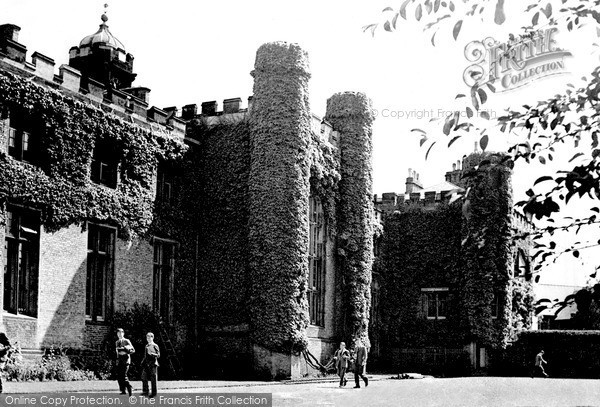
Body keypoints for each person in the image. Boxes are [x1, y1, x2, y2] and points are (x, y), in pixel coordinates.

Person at [115, 328, 134, 396]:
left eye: (120, 333)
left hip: (125, 360)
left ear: (123, 333)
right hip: (119, 360)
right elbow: (117, 352)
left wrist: (125, 350)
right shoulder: (117, 342)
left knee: (124, 375)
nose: (119, 335)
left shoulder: (126, 341)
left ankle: (129, 388)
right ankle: (123, 390)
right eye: (118, 333)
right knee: (119, 376)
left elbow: (132, 350)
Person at [141, 332, 160, 397]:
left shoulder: (155, 345)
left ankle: (154, 393)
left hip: (153, 364)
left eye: (149, 337)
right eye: (147, 337)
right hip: (146, 364)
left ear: (152, 338)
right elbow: (145, 355)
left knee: (153, 379)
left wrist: (151, 353)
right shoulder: (146, 346)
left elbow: (158, 355)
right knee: (143, 377)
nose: (148, 339)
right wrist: (143, 362)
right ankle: (145, 391)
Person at [0, 326, 13, 394]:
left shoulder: (2, 336)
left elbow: (8, 346)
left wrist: (6, 348)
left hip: (1, 359)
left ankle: (0, 388)